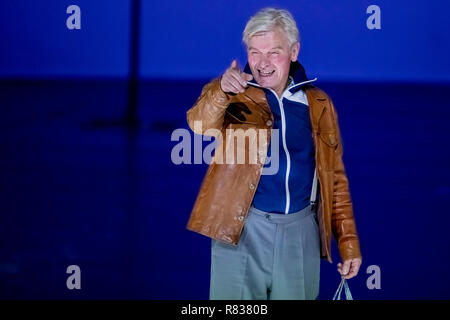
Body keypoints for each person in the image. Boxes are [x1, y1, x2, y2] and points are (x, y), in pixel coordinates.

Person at [185, 7, 362, 300]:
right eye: (254, 52)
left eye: (273, 52)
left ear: (294, 51)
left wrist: (348, 242)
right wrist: (220, 90)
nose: (262, 63)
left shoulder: (319, 104)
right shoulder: (233, 92)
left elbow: (336, 181)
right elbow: (199, 124)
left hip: (301, 234)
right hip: (241, 232)